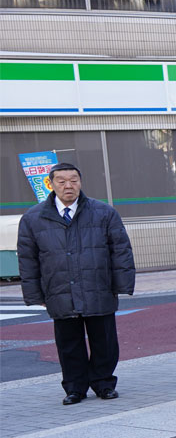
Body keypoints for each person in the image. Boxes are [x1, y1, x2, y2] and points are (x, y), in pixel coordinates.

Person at [16, 162, 135, 405]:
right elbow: (28, 259)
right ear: (51, 184)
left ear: (80, 182)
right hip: (59, 289)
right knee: (69, 344)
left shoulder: (104, 213)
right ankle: (74, 388)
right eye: (61, 181)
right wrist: (33, 293)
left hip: (99, 287)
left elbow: (121, 250)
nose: (68, 185)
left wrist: (121, 284)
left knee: (104, 340)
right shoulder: (33, 218)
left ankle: (104, 383)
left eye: (74, 180)